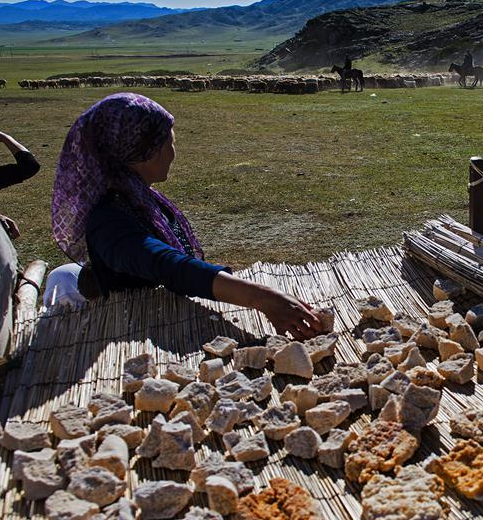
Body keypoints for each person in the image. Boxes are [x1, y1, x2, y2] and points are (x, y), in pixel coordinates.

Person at [49, 92, 322, 338]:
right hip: (141, 328)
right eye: (169, 143)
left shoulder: (138, 196)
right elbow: (166, 264)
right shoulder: (108, 219)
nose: (174, 153)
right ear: (143, 154)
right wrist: (264, 298)